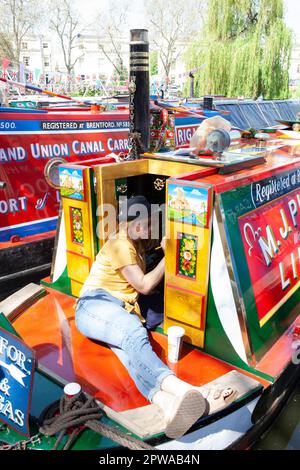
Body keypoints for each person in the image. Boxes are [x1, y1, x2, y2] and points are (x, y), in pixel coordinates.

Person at [75, 195, 236, 439]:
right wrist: (169, 255)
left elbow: (152, 248)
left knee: (130, 354)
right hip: (95, 305)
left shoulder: (134, 240)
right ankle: (189, 391)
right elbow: (144, 285)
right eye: (146, 224)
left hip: (115, 309)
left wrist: (163, 245)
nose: (149, 228)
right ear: (130, 223)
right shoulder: (120, 243)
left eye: (150, 223)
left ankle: (167, 405)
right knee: (134, 333)